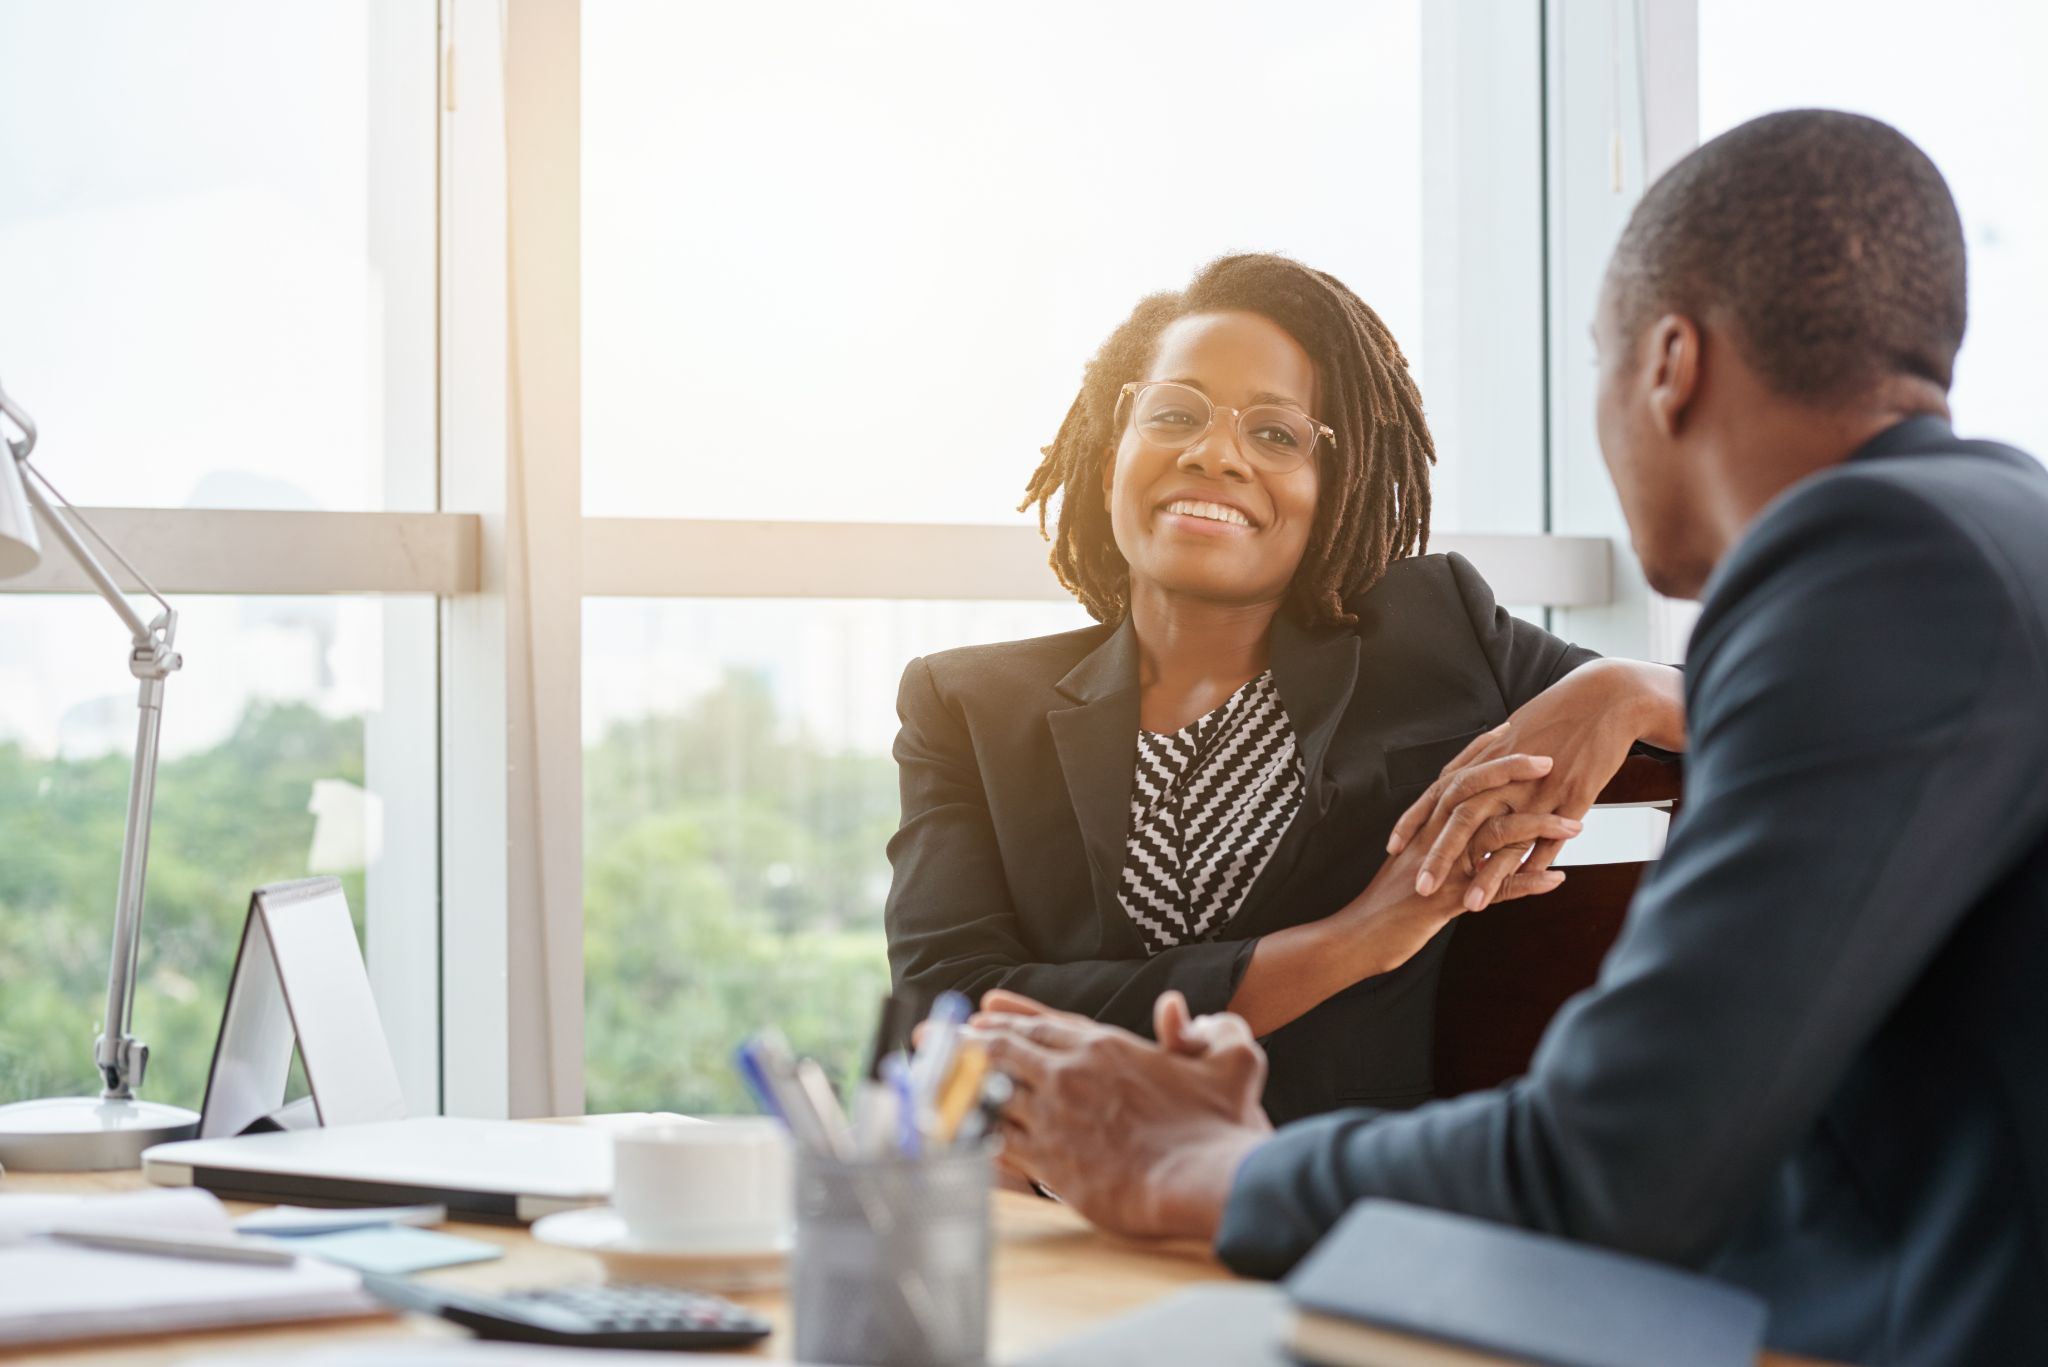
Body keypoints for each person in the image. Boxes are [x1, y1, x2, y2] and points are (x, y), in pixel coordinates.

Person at [971, 110, 2048, 1366]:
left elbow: (1609, 1164)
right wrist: (1642, 692)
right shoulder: (1994, 526)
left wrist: (1208, 1165)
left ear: (1666, 364)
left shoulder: (1869, 559)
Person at [884, 254, 1684, 1125]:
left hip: (1342, 1212)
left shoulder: (1436, 634)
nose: (1213, 453)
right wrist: (1355, 942)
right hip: (1069, 1209)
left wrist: (1624, 687)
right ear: (1112, 447)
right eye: (1175, 413)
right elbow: (947, 1014)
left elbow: (1786, 711)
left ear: (1334, 486)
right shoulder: (965, 707)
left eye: (1275, 434)